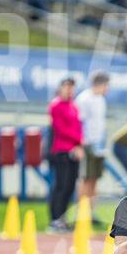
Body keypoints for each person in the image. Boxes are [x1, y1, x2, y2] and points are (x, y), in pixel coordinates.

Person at [48, 77, 84, 233]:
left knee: (70, 186)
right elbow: (61, 129)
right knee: (61, 185)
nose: (69, 90)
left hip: (75, 151)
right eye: (67, 87)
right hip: (62, 150)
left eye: (72, 87)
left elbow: (78, 127)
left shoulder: (74, 106)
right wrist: (78, 141)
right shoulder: (55, 105)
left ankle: (63, 218)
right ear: (61, 88)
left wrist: (79, 145)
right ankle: (55, 219)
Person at [75, 71, 110, 225]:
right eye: (106, 85)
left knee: (95, 178)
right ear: (100, 84)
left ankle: (91, 211)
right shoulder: (84, 98)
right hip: (87, 143)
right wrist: (80, 142)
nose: (107, 88)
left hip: (98, 144)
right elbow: (79, 122)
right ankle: (81, 212)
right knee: (86, 178)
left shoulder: (101, 99)